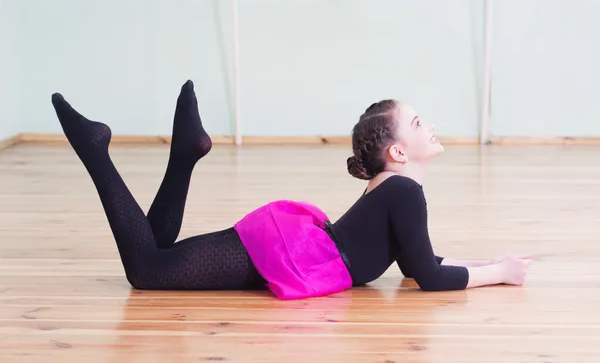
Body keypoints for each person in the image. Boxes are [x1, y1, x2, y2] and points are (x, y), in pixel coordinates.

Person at [50, 80, 532, 300]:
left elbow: (415, 265)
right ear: (399, 153)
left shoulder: (397, 189)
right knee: (146, 270)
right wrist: (500, 275)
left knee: (156, 255)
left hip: (295, 247)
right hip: (292, 253)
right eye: (419, 122)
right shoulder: (404, 192)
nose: (432, 127)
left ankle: (184, 155)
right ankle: (96, 152)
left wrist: (489, 264)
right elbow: (426, 276)